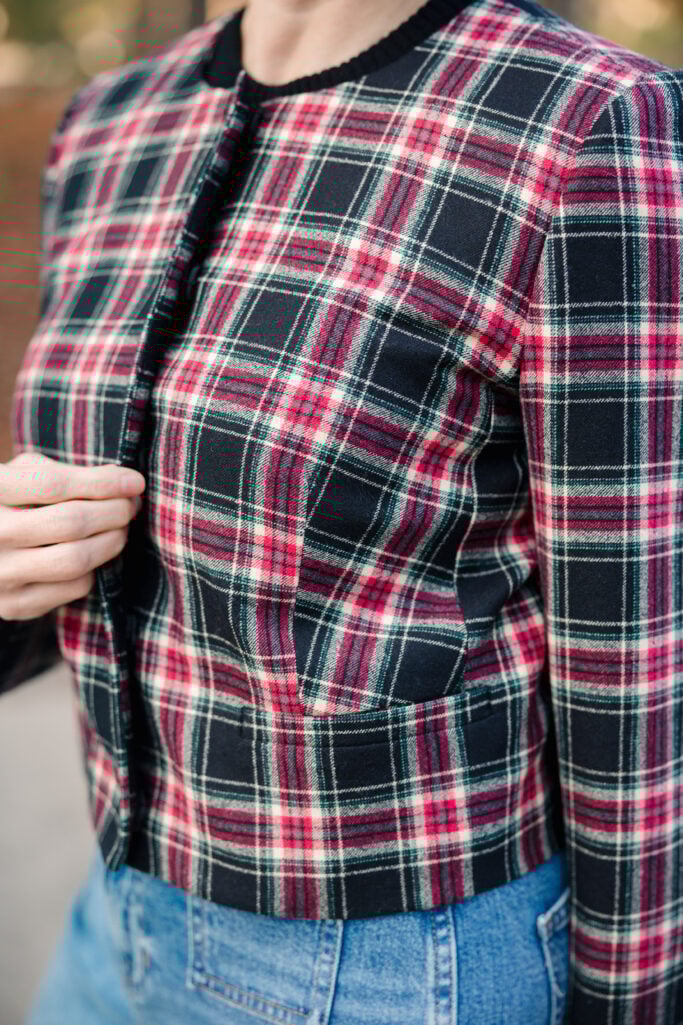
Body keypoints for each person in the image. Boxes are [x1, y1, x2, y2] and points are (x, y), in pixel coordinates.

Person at [1, 0, 681, 1021]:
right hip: (117, 921)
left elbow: (634, 646)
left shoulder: (582, 118)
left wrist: (634, 999)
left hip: (394, 967)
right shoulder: (109, 121)